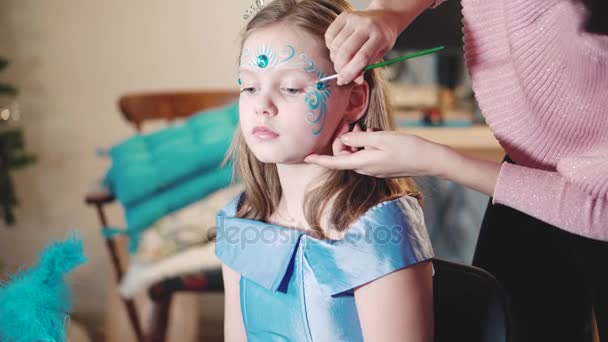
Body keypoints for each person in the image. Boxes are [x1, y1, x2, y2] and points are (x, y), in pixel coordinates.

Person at [305, 0, 608, 341]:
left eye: (290, 87)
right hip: (530, 168)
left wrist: (435, 161)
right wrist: (390, 12)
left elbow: (601, 209)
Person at [214, 0, 435, 341]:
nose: (262, 106)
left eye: (290, 88)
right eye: (249, 87)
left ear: (354, 100)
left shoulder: (377, 233)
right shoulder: (242, 220)